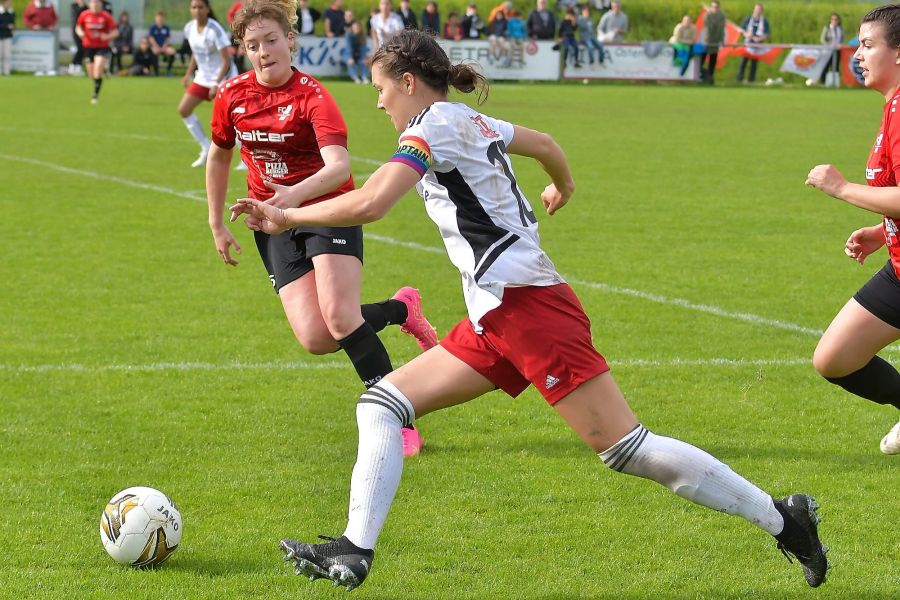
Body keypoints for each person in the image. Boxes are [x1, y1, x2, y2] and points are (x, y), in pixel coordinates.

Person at [231, 28, 831, 592]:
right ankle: (353, 550)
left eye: (381, 89)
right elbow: (544, 145)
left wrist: (287, 216)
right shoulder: (464, 117)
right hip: (497, 312)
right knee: (383, 402)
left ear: (409, 82)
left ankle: (785, 520)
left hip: (526, 308)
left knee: (627, 448)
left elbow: (371, 203)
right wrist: (561, 185)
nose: (379, 103)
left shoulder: (432, 126)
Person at [212, 0, 435, 457]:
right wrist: (216, 222)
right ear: (242, 49)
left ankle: (398, 419)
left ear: (290, 41)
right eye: (252, 45)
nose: (263, 51)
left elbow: (339, 168)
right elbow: (219, 156)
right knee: (317, 337)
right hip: (272, 220)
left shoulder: (313, 96)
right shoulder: (231, 96)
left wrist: (289, 199)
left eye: (271, 40)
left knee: (339, 316)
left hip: (330, 210)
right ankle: (399, 310)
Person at [805, 4, 900, 456]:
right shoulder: (892, 106)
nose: (858, 54)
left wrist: (842, 188)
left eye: (868, 44)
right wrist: (883, 231)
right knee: (834, 359)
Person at [179, 0, 238, 169]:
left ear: (207, 9)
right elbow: (195, 54)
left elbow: (226, 61)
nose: (197, 11)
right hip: (202, 78)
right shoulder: (189, 28)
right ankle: (205, 146)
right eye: (194, 7)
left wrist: (216, 83)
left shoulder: (215, 29)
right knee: (184, 109)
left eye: (200, 7)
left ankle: (247, 158)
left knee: (233, 118)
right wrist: (188, 74)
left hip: (222, 78)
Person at [75, 0, 116, 104]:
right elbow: (78, 27)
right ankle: (103, 71)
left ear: (101, 5)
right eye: (92, 3)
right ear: (89, 4)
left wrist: (107, 36)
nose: (94, 5)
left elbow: (116, 32)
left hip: (101, 46)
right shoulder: (84, 15)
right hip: (88, 47)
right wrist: (80, 33)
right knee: (91, 74)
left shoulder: (106, 16)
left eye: (97, 3)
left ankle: (95, 96)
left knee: (97, 71)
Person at [736, 3, 769, 84]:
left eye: (759, 9)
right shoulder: (748, 19)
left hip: (757, 46)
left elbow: (766, 33)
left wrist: (759, 38)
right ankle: (739, 80)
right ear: (754, 9)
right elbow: (741, 29)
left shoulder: (764, 21)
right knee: (743, 63)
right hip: (747, 45)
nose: (758, 11)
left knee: (754, 64)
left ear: (761, 11)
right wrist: (747, 34)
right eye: (756, 9)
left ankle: (751, 81)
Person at [699, 0, 725, 84]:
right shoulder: (707, 16)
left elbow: (721, 29)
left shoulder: (722, 16)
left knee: (712, 61)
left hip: (716, 42)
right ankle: (700, 76)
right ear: (711, 7)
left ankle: (710, 78)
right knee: (701, 60)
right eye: (713, 7)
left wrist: (721, 40)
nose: (715, 9)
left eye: (717, 7)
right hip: (707, 41)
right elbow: (709, 27)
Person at [817, 13, 843, 87]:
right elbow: (822, 39)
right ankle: (823, 83)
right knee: (825, 66)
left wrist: (840, 45)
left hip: (837, 50)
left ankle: (835, 83)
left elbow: (841, 38)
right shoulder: (827, 28)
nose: (834, 21)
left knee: (836, 67)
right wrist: (829, 45)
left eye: (836, 19)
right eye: (833, 19)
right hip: (828, 51)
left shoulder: (840, 29)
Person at [149, 11, 178, 76]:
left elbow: (167, 39)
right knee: (154, 51)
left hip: (164, 47)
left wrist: (164, 47)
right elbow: (151, 39)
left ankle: (168, 70)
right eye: (158, 17)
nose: (160, 19)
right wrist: (157, 47)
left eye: (161, 17)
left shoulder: (166, 27)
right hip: (156, 46)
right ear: (155, 18)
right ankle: (156, 71)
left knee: (172, 51)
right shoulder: (153, 28)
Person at [345, 18, 369, 83]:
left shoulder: (363, 36)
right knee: (350, 62)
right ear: (352, 28)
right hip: (348, 54)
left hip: (358, 55)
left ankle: (364, 77)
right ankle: (355, 77)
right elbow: (349, 47)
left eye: (358, 27)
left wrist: (364, 58)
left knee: (363, 62)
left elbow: (363, 48)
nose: (356, 29)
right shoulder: (349, 35)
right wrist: (350, 57)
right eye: (355, 27)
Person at [111, 10, 134, 75]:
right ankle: (119, 69)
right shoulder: (117, 26)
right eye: (123, 17)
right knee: (116, 52)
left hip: (128, 47)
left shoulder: (130, 27)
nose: (125, 18)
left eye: (126, 17)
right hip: (118, 47)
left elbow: (131, 39)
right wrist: (122, 46)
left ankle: (132, 69)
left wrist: (128, 46)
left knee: (136, 52)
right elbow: (115, 40)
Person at [69, 0, 87, 76]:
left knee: (83, 49)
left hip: (84, 30)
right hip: (76, 30)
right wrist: (81, 6)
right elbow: (76, 15)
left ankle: (78, 67)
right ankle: (72, 66)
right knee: (80, 48)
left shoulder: (86, 7)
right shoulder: (73, 6)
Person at [0, 0, 13, 77]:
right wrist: (6, 26)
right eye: (7, 3)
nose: (9, 4)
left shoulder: (11, 12)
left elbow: (12, 23)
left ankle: (7, 72)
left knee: (7, 55)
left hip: (7, 35)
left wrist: (12, 26)